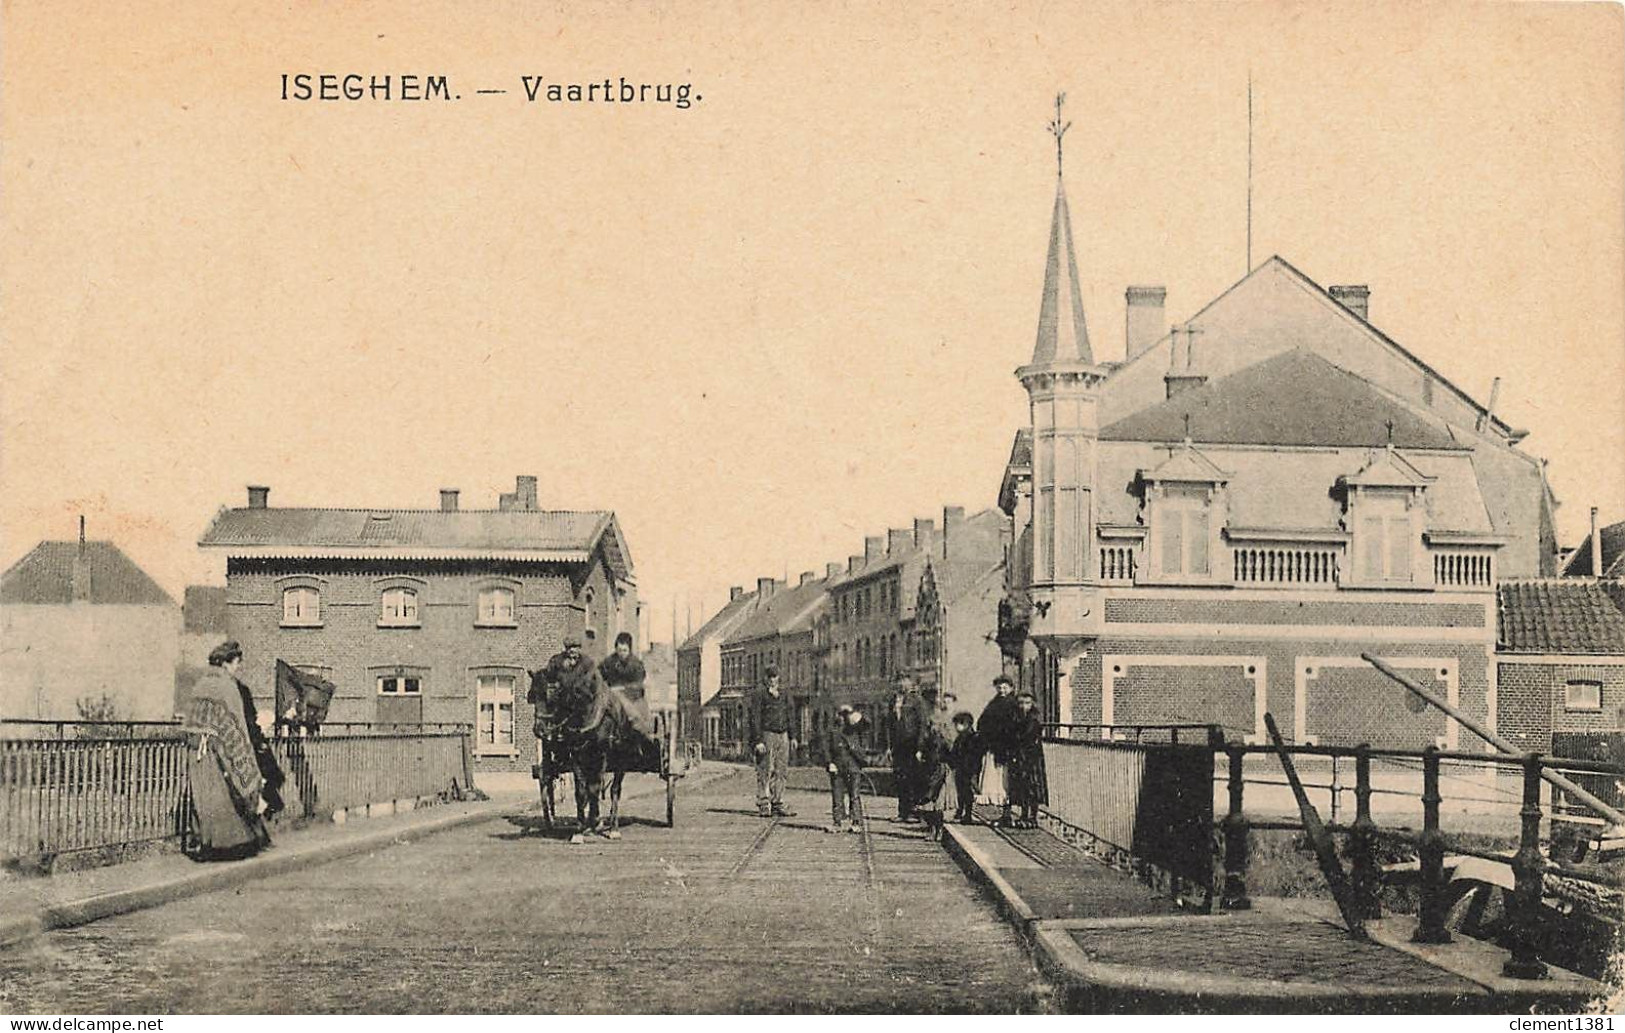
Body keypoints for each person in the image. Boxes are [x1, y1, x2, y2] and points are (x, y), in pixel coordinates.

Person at [180, 641, 274, 861]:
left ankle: (206, 842)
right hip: (218, 751)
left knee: (203, 798)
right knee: (225, 798)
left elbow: (190, 721)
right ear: (227, 663)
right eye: (236, 664)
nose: (236, 669)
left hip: (196, 752)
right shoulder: (227, 686)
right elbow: (236, 726)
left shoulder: (200, 684)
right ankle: (227, 847)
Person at [747, 666, 795, 818]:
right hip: (767, 734)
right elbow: (754, 718)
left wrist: (793, 736)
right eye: (770, 677)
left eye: (775, 677)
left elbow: (791, 715)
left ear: (779, 678)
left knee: (781, 770)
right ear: (765, 678)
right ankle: (763, 802)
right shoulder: (759, 694)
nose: (772, 680)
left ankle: (778, 802)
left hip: (783, 734)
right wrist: (758, 741)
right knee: (765, 769)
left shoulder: (785, 694)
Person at [977, 674, 1019, 824]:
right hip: (994, 748)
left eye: (1005, 687)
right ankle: (1003, 813)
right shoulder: (993, 704)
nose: (1002, 690)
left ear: (1011, 688)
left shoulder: (1014, 704)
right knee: (997, 782)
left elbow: (1015, 726)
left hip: (1007, 749)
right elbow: (982, 722)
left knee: (1006, 781)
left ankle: (1008, 813)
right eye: (999, 687)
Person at [822, 703, 868, 833]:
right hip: (837, 766)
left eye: (846, 714)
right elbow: (826, 748)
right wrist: (829, 763)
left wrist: (857, 716)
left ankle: (856, 822)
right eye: (841, 714)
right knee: (837, 795)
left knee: (854, 794)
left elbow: (866, 725)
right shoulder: (832, 730)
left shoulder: (855, 728)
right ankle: (837, 822)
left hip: (853, 765)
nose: (843, 717)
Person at [884, 675, 924, 821]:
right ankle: (903, 812)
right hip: (898, 746)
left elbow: (922, 724)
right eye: (899, 682)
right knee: (900, 778)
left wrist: (920, 747)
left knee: (913, 778)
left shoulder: (916, 700)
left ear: (909, 683)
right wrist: (889, 746)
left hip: (912, 744)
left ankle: (915, 812)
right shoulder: (893, 700)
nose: (901, 684)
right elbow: (889, 725)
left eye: (904, 681)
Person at [1006, 691, 1049, 828]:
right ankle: (1024, 816)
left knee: (1033, 786)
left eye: (1027, 703)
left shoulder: (1034, 719)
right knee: (1021, 786)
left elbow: (1028, 737)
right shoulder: (1015, 718)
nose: (1024, 706)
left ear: (1032, 704)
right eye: (1021, 703)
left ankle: (1033, 817)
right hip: (1019, 756)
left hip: (1032, 757)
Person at [945, 711, 983, 824]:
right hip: (961, 768)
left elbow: (974, 755)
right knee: (961, 791)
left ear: (966, 724)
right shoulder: (961, 737)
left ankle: (967, 814)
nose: (957, 727)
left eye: (959, 724)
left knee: (966, 792)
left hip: (968, 769)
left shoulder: (972, 738)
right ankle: (961, 811)